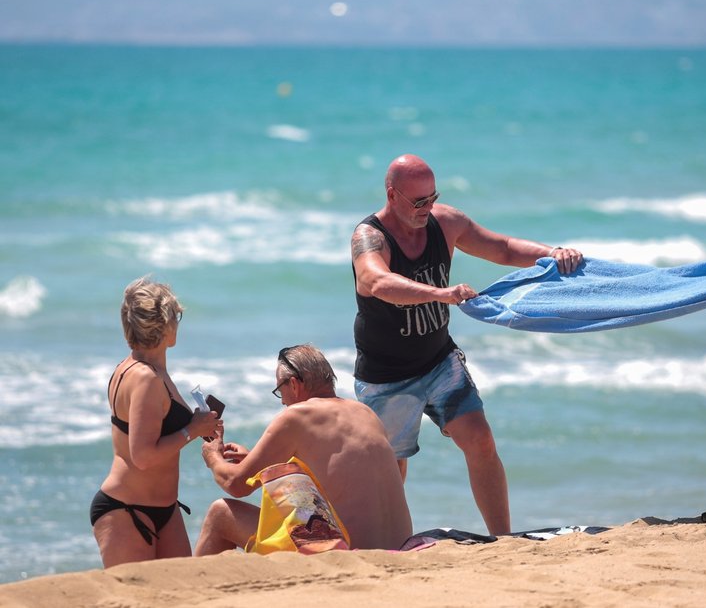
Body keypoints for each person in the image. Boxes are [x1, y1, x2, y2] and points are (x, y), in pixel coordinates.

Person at [350, 153, 583, 535]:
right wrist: (439, 294)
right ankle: (385, 543)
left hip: (439, 361)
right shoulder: (369, 237)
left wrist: (551, 253)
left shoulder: (446, 221)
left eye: (432, 197)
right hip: (387, 375)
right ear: (392, 195)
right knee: (392, 468)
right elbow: (375, 282)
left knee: (481, 439)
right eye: (418, 201)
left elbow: (503, 247)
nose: (428, 208)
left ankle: (502, 539)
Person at [195, 344, 413, 554]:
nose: (282, 402)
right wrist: (255, 459)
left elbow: (235, 484)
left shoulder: (297, 416)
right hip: (399, 545)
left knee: (220, 513)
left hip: (347, 554)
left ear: (294, 384)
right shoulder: (365, 413)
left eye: (279, 390)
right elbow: (340, 474)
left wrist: (213, 456)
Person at [91, 276, 222, 568]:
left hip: (165, 508)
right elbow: (143, 455)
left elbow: (158, 430)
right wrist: (191, 429)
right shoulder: (146, 378)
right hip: (127, 510)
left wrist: (201, 426)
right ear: (165, 325)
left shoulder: (145, 369)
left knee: (183, 595)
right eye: (176, 317)